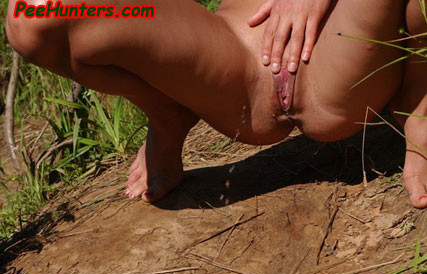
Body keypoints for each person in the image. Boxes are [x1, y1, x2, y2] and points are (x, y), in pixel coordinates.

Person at [6, 0, 427, 208]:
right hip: (235, 60)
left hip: (341, 65)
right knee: (32, 15)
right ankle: (168, 112)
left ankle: (420, 115)